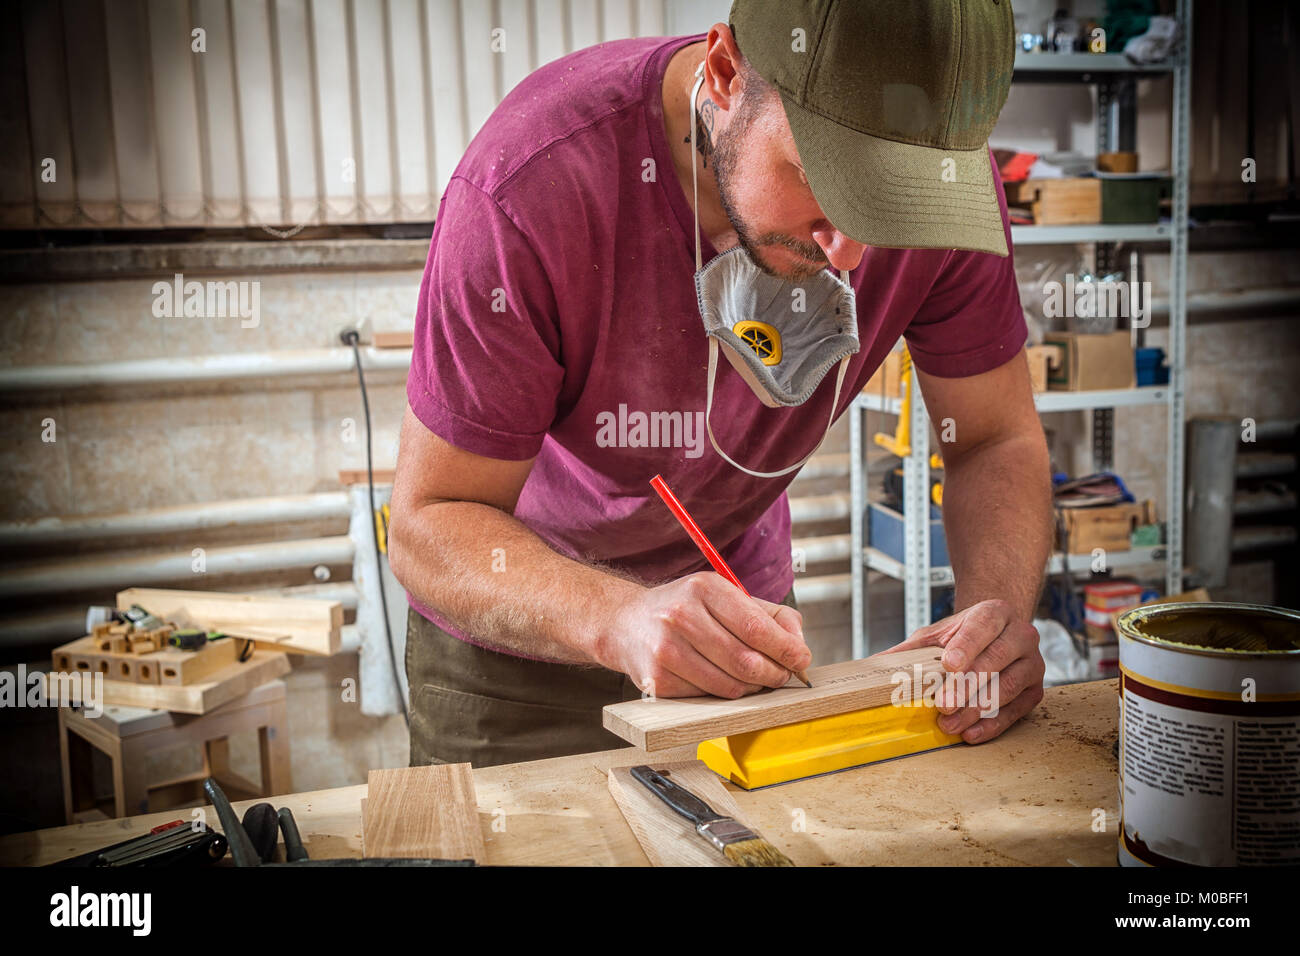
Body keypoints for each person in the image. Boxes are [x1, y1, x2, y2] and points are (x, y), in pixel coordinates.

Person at [389, 0, 1051, 768]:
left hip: (743, 633)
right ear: (726, 72)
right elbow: (430, 521)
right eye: (819, 179)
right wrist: (619, 618)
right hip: (513, 661)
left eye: (891, 205)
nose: (850, 252)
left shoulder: (944, 196)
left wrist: (991, 619)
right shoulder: (528, 184)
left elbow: (993, 439)